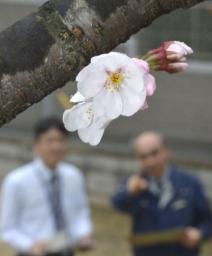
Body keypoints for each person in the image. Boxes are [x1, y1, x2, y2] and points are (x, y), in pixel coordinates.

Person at [0, 117, 94, 256]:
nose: (56, 147)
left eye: (61, 140)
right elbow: (7, 228)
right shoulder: (16, 181)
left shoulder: (73, 175)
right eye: (50, 141)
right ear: (36, 144)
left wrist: (83, 235)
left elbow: (80, 213)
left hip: (67, 250)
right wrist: (30, 245)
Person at [111, 131, 212, 256]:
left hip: (182, 251)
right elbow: (117, 204)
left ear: (166, 151)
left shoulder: (189, 183)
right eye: (143, 156)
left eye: (154, 153)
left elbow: (207, 220)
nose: (150, 161)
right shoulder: (134, 183)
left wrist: (200, 234)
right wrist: (129, 192)